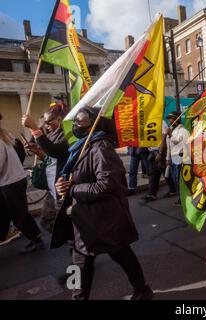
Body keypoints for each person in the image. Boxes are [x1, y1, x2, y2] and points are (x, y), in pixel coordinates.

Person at [53, 107, 152, 300]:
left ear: (94, 124)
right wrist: (63, 184)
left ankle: (142, 290)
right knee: (80, 263)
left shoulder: (101, 147)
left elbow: (106, 185)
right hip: (85, 220)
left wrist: (72, 189)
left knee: (121, 254)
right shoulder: (82, 146)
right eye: (75, 121)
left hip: (105, 220)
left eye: (80, 121)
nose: (75, 125)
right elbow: (77, 176)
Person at [22, 102, 70, 233]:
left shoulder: (69, 133)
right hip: (52, 186)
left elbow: (55, 151)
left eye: (48, 122)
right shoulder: (52, 134)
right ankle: (73, 238)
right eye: (44, 123)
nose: (45, 126)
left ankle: (76, 241)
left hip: (62, 186)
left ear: (59, 119)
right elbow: (51, 158)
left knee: (66, 220)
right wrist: (38, 151)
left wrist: (34, 129)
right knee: (47, 220)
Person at [0, 114, 44, 253]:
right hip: (13, 179)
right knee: (5, 213)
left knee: (18, 214)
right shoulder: (7, 135)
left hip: (10, 182)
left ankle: (36, 239)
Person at [166, 111, 190, 206]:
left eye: (171, 118)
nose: (170, 121)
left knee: (180, 180)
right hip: (173, 158)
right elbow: (169, 146)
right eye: (169, 119)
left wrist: (170, 135)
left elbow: (178, 141)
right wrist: (168, 158)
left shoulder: (183, 131)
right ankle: (181, 197)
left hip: (181, 159)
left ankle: (183, 198)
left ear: (177, 118)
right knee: (175, 179)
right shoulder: (172, 130)